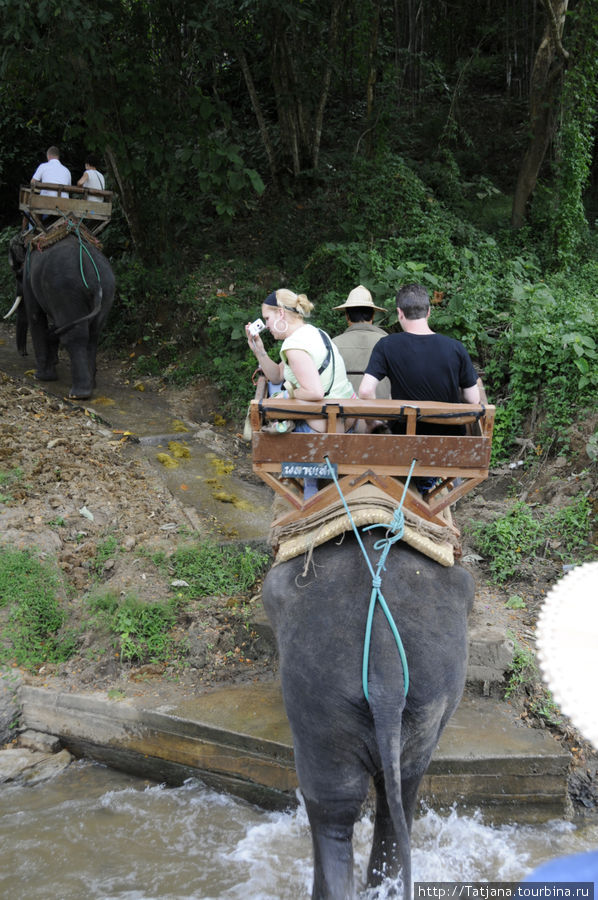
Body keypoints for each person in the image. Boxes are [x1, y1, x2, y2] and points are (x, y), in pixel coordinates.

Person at [359, 283, 480, 493]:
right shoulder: (455, 347)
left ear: (399, 313)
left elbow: (365, 391)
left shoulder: (386, 345)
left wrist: (375, 420)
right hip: (448, 444)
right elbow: (473, 398)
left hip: (405, 443)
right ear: (429, 312)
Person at [246, 289, 355, 498]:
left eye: (267, 318)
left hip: (323, 428)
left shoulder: (294, 346)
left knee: (272, 426)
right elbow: (277, 376)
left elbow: (313, 391)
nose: (267, 325)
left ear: (281, 314)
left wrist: (287, 395)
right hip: (345, 419)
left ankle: (309, 492)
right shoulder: (312, 333)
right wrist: (258, 350)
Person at [331, 285, 391, 399]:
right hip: (383, 414)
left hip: (344, 414)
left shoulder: (333, 344)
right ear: (373, 315)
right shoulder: (389, 343)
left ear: (347, 316)